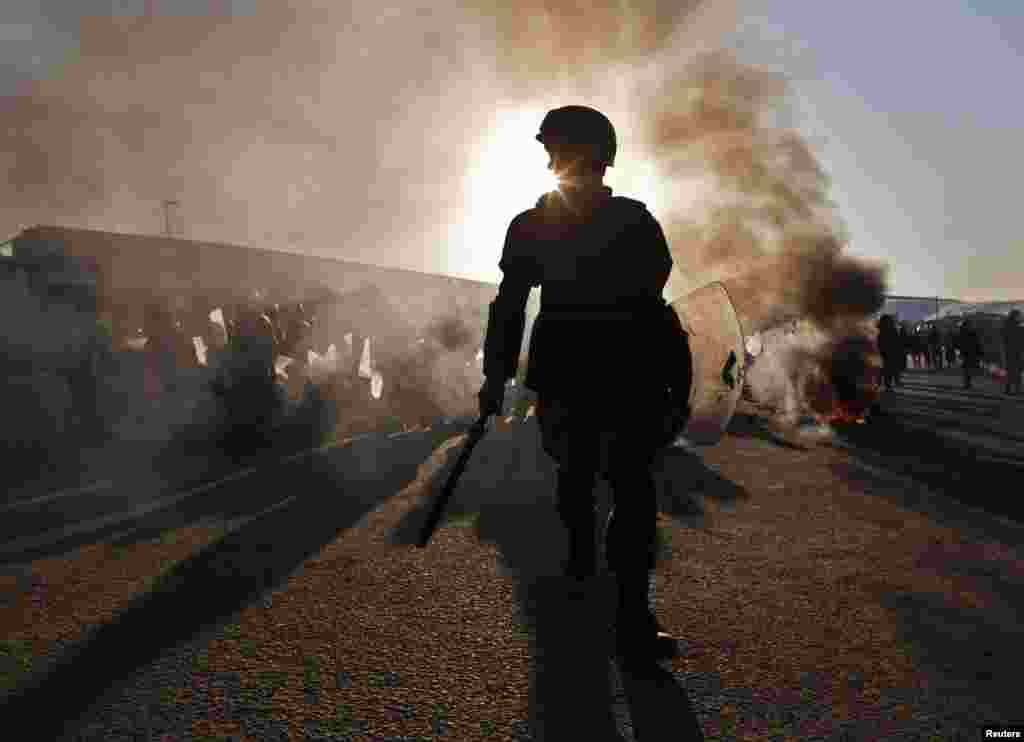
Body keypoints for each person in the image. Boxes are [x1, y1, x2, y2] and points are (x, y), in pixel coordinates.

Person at [477, 105, 692, 669]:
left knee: (581, 491)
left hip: (572, 374)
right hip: (628, 376)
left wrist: (495, 376)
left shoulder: (533, 223)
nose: (548, 156)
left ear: (578, 155)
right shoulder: (635, 222)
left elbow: (510, 306)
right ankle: (629, 617)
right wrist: (677, 382)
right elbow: (655, 307)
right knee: (629, 493)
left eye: (555, 148)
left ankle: (591, 608)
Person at [956, 317, 983, 390]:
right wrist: (980, 352)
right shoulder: (972, 332)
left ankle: (967, 383)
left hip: (965, 352)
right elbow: (977, 343)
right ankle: (968, 383)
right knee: (969, 368)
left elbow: (959, 343)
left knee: (966, 368)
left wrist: (959, 351)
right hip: (970, 352)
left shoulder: (961, 332)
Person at [1001, 309, 1023, 395]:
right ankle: (1017, 389)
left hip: (1008, 352)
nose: (1020, 317)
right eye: (1019, 316)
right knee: (1017, 372)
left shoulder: (1006, 327)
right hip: (1017, 352)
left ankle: (1008, 389)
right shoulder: (1019, 328)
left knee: (1010, 372)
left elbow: (1004, 340)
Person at [877, 314, 901, 391]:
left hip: (880, 352)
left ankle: (878, 383)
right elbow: (897, 342)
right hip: (890, 353)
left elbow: (874, 340)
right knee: (888, 370)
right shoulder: (892, 329)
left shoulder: (878, 329)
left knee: (880, 369)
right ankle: (887, 386)